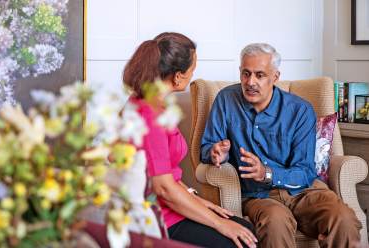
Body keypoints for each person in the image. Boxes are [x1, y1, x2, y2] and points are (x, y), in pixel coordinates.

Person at [200, 43, 362, 248]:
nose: (250, 82)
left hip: (304, 191)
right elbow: (207, 147)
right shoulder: (226, 100)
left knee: (344, 219)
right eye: (246, 74)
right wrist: (215, 153)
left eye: (259, 75)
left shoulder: (300, 110)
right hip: (258, 196)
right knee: (275, 222)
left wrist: (266, 173)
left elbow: (304, 172)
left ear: (275, 77)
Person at [123, 32, 257, 248]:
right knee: (239, 238)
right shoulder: (150, 115)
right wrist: (219, 224)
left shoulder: (149, 102)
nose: (194, 73)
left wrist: (201, 202)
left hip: (167, 205)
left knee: (244, 229)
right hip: (157, 217)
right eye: (192, 69)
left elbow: (165, 175)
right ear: (177, 76)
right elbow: (163, 188)